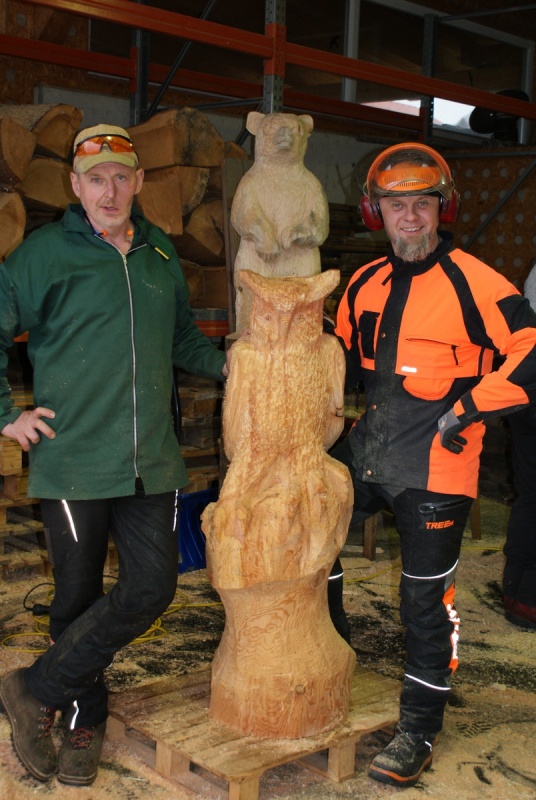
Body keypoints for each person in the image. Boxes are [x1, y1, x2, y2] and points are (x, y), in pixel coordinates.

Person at [0, 124, 228, 787]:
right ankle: (84, 718)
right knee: (76, 597)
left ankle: (34, 688)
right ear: (75, 185)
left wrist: (230, 365)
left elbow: (181, 337)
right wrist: (6, 414)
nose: (110, 191)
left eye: (121, 177)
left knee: (151, 587)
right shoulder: (44, 255)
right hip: (73, 459)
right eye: (96, 179)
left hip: (150, 458)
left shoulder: (158, 253)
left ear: (140, 182)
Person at [331, 142, 536, 788]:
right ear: (376, 213)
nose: (411, 217)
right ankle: (333, 653)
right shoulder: (363, 284)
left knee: (424, 603)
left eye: (423, 203)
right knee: (306, 541)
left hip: (436, 469)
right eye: (397, 206)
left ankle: (418, 729)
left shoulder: (478, 282)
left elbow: (532, 350)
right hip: (367, 451)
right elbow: (334, 359)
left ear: (442, 209)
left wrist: (470, 408)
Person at [503, 261, 536, 629]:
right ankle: (526, 599)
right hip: (530, 383)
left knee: (530, 495)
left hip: (526, 386)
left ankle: (518, 595)